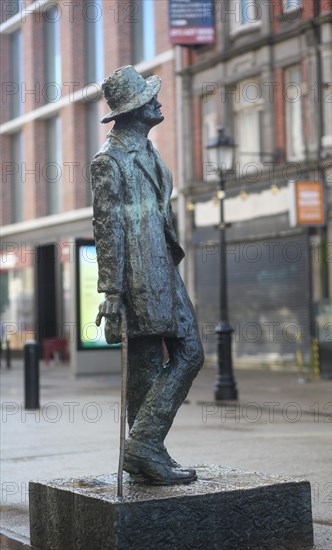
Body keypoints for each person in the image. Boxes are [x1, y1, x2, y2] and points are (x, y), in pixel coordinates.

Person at [91, 65, 204, 485]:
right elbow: (107, 227)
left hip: (162, 268)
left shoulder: (149, 151)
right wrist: (112, 291)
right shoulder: (109, 161)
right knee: (163, 359)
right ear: (133, 111)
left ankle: (144, 449)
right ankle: (145, 450)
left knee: (185, 354)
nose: (157, 102)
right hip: (137, 275)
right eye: (148, 99)